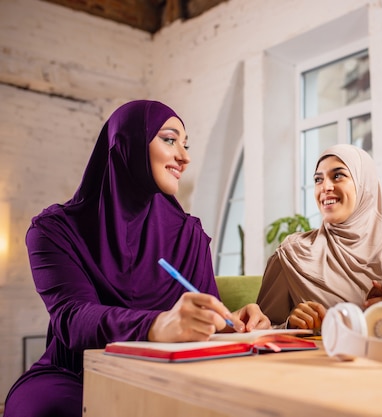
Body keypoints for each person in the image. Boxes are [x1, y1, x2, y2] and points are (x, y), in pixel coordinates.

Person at [4, 100, 270, 417]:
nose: (185, 158)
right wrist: (157, 324)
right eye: (169, 140)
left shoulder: (190, 235)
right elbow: (74, 320)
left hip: (167, 375)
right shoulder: (54, 230)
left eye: (186, 145)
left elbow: (205, 317)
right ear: (126, 143)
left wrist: (230, 322)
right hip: (76, 376)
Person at [256, 144, 382, 331]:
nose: (325, 187)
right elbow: (258, 329)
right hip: (319, 368)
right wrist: (290, 324)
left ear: (365, 186)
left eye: (338, 176)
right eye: (318, 179)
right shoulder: (293, 254)